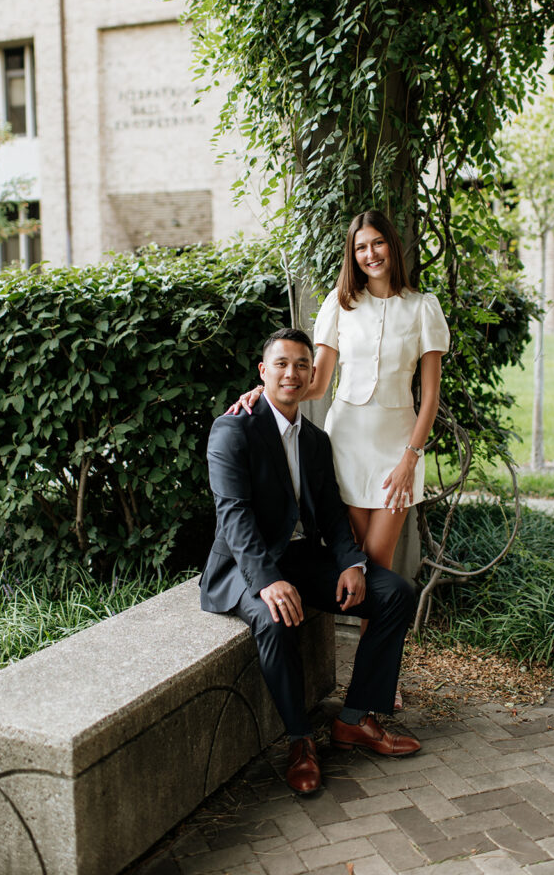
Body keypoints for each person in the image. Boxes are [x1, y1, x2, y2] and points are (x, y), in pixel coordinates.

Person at [230, 210, 450, 706]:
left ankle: (374, 683)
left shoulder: (423, 307)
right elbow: (318, 381)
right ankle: (373, 683)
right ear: (352, 254)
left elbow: (430, 396)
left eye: (377, 244)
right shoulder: (339, 304)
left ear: (392, 246)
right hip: (345, 444)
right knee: (359, 565)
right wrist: (263, 391)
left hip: (398, 447)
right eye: (360, 247)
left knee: (379, 565)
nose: (370, 254)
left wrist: (412, 456)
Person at [201, 327, 421, 796]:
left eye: (302, 364)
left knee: (394, 594)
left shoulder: (315, 440)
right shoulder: (232, 428)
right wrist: (266, 581)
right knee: (276, 618)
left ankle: (356, 718)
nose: (292, 373)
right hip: (244, 565)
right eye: (281, 363)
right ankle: (300, 741)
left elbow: (333, 508)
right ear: (263, 372)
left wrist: (350, 562)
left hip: (302, 557)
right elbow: (233, 514)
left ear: (312, 374)